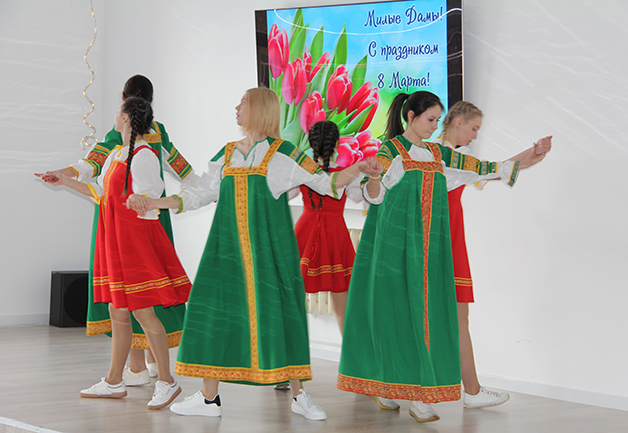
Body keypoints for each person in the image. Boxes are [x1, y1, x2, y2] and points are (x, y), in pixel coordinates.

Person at [126, 88, 381, 421]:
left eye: (243, 102)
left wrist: (360, 167)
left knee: (284, 316)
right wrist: (154, 202)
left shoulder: (283, 154)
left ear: (260, 108)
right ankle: (208, 398)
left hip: (270, 255)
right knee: (215, 316)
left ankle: (299, 395)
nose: (237, 107)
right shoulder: (227, 154)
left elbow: (327, 184)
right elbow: (200, 193)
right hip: (226, 252)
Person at [336, 91, 550, 423]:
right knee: (392, 317)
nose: (434, 127)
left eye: (437, 120)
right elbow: (372, 196)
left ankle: (420, 395)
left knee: (425, 318)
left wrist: (532, 156)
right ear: (411, 116)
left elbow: (485, 169)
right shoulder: (390, 151)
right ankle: (389, 385)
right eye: (430, 119)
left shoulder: (438, 155)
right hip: (393, 251)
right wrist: (375, 178)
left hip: (428, 253)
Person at [37, 97, 191, 409]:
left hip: (134, 244)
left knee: (143, 313)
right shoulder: (116, 154)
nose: (115, 115)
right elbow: (101, 194)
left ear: (127, 118)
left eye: (119, 111)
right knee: (117, 312)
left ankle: (167, 381)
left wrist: (141, 200)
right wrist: (65, 180)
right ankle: (113, 381)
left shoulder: (145, 156)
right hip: (115, 242)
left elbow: (151, 202)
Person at [438, 101, 551, 408]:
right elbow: (491, 169)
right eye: (474, 128)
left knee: (456, 317)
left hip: (447, 237)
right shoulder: (441, 156)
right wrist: (529, 157)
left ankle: (470, 391)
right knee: (451, 317)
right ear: (458, 122)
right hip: (440, 239)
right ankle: (460, 391)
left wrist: (531, 155)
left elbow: (491, 169)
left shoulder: (453, 157)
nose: (475, 135)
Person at [294, 120, 362, 334]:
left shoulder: (302, 172)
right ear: (337, 143)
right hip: (335, 234)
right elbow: (362, 197)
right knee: (342, 304)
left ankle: (289, 350)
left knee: (292, 296)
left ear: (311, 143)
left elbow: (281, 194)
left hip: (305, 231)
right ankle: (349, 353)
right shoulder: (346, 174)